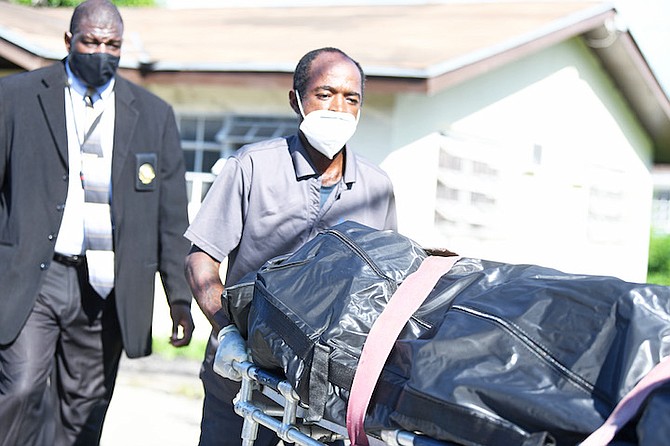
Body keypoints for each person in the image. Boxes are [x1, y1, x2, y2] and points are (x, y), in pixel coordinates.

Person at [0, 1, 194, 445]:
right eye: (91, 41)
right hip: (34, 274)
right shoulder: (16, 98)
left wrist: (178, 298)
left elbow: (170, 216)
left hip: (107, 283)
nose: (101, 51)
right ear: (68, 42)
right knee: (21, 388)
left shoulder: (153, 115)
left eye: (112, 44)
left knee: (85, 405)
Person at [184, 47, 398, 446]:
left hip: (329, 393)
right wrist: (227, 330)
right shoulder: (252, 167)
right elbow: (201, 258)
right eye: (325, 93)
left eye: (351, 99)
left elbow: (386, 286)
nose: (338, 108)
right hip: (245, 372)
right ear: (295, 100)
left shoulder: (376, 187)